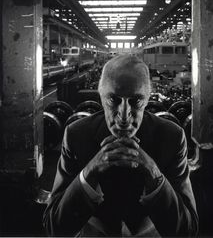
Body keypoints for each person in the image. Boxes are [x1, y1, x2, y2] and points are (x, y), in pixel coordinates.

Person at [43, 55, 198, 237]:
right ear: (101, 97)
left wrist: (153, 173)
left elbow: (187, 231)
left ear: (148, 99)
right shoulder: (76, 135)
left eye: (136, 101)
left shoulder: (172, 137)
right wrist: (90, 171)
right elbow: (54, 228)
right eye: (113, 100)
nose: (124, 116)